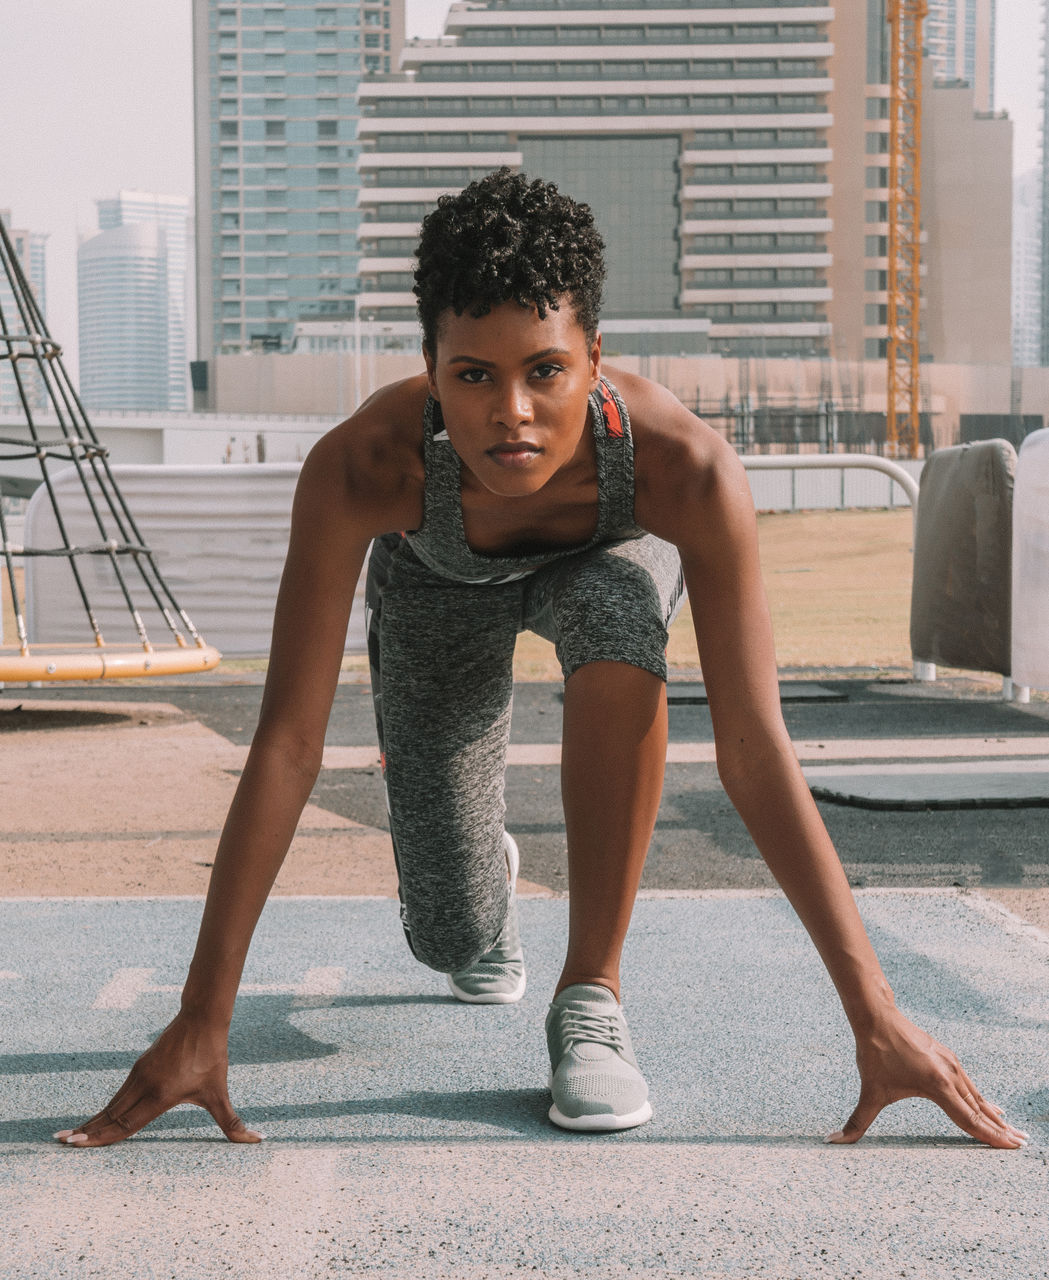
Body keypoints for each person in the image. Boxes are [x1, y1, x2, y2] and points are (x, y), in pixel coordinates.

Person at [57, 170, 1026, 1148]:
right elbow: (289, 742)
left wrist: (874, 1012)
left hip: (602, 559)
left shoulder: (679, 467)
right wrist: (202, 1015)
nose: (509, 411)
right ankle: (485, 884)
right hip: (436, 584)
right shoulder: (364, 465)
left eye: (545, 372)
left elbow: (749, 744)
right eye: (473, 374)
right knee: (449, 938)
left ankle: (589, 996)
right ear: (429, 367)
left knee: (617, 610)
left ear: (594, 359)